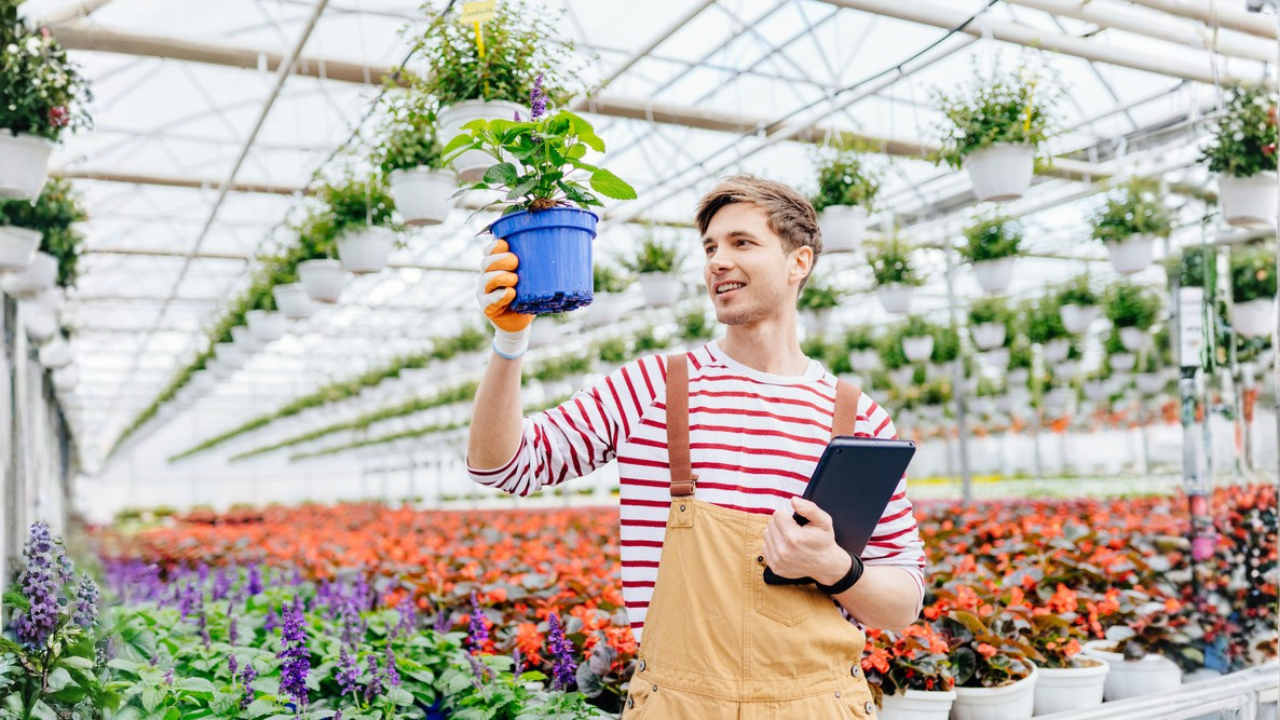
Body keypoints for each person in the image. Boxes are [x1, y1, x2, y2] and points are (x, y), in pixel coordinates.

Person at [468, 175, 925, 718]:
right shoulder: (654, 388)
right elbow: (504, 466)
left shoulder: (859, 419)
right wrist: (510, 340)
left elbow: (904, 600)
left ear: (799, 262)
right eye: (710, 247)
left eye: (742, 243)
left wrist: (836, 568)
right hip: (680, 704)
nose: (717, 261)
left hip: (819, 703)